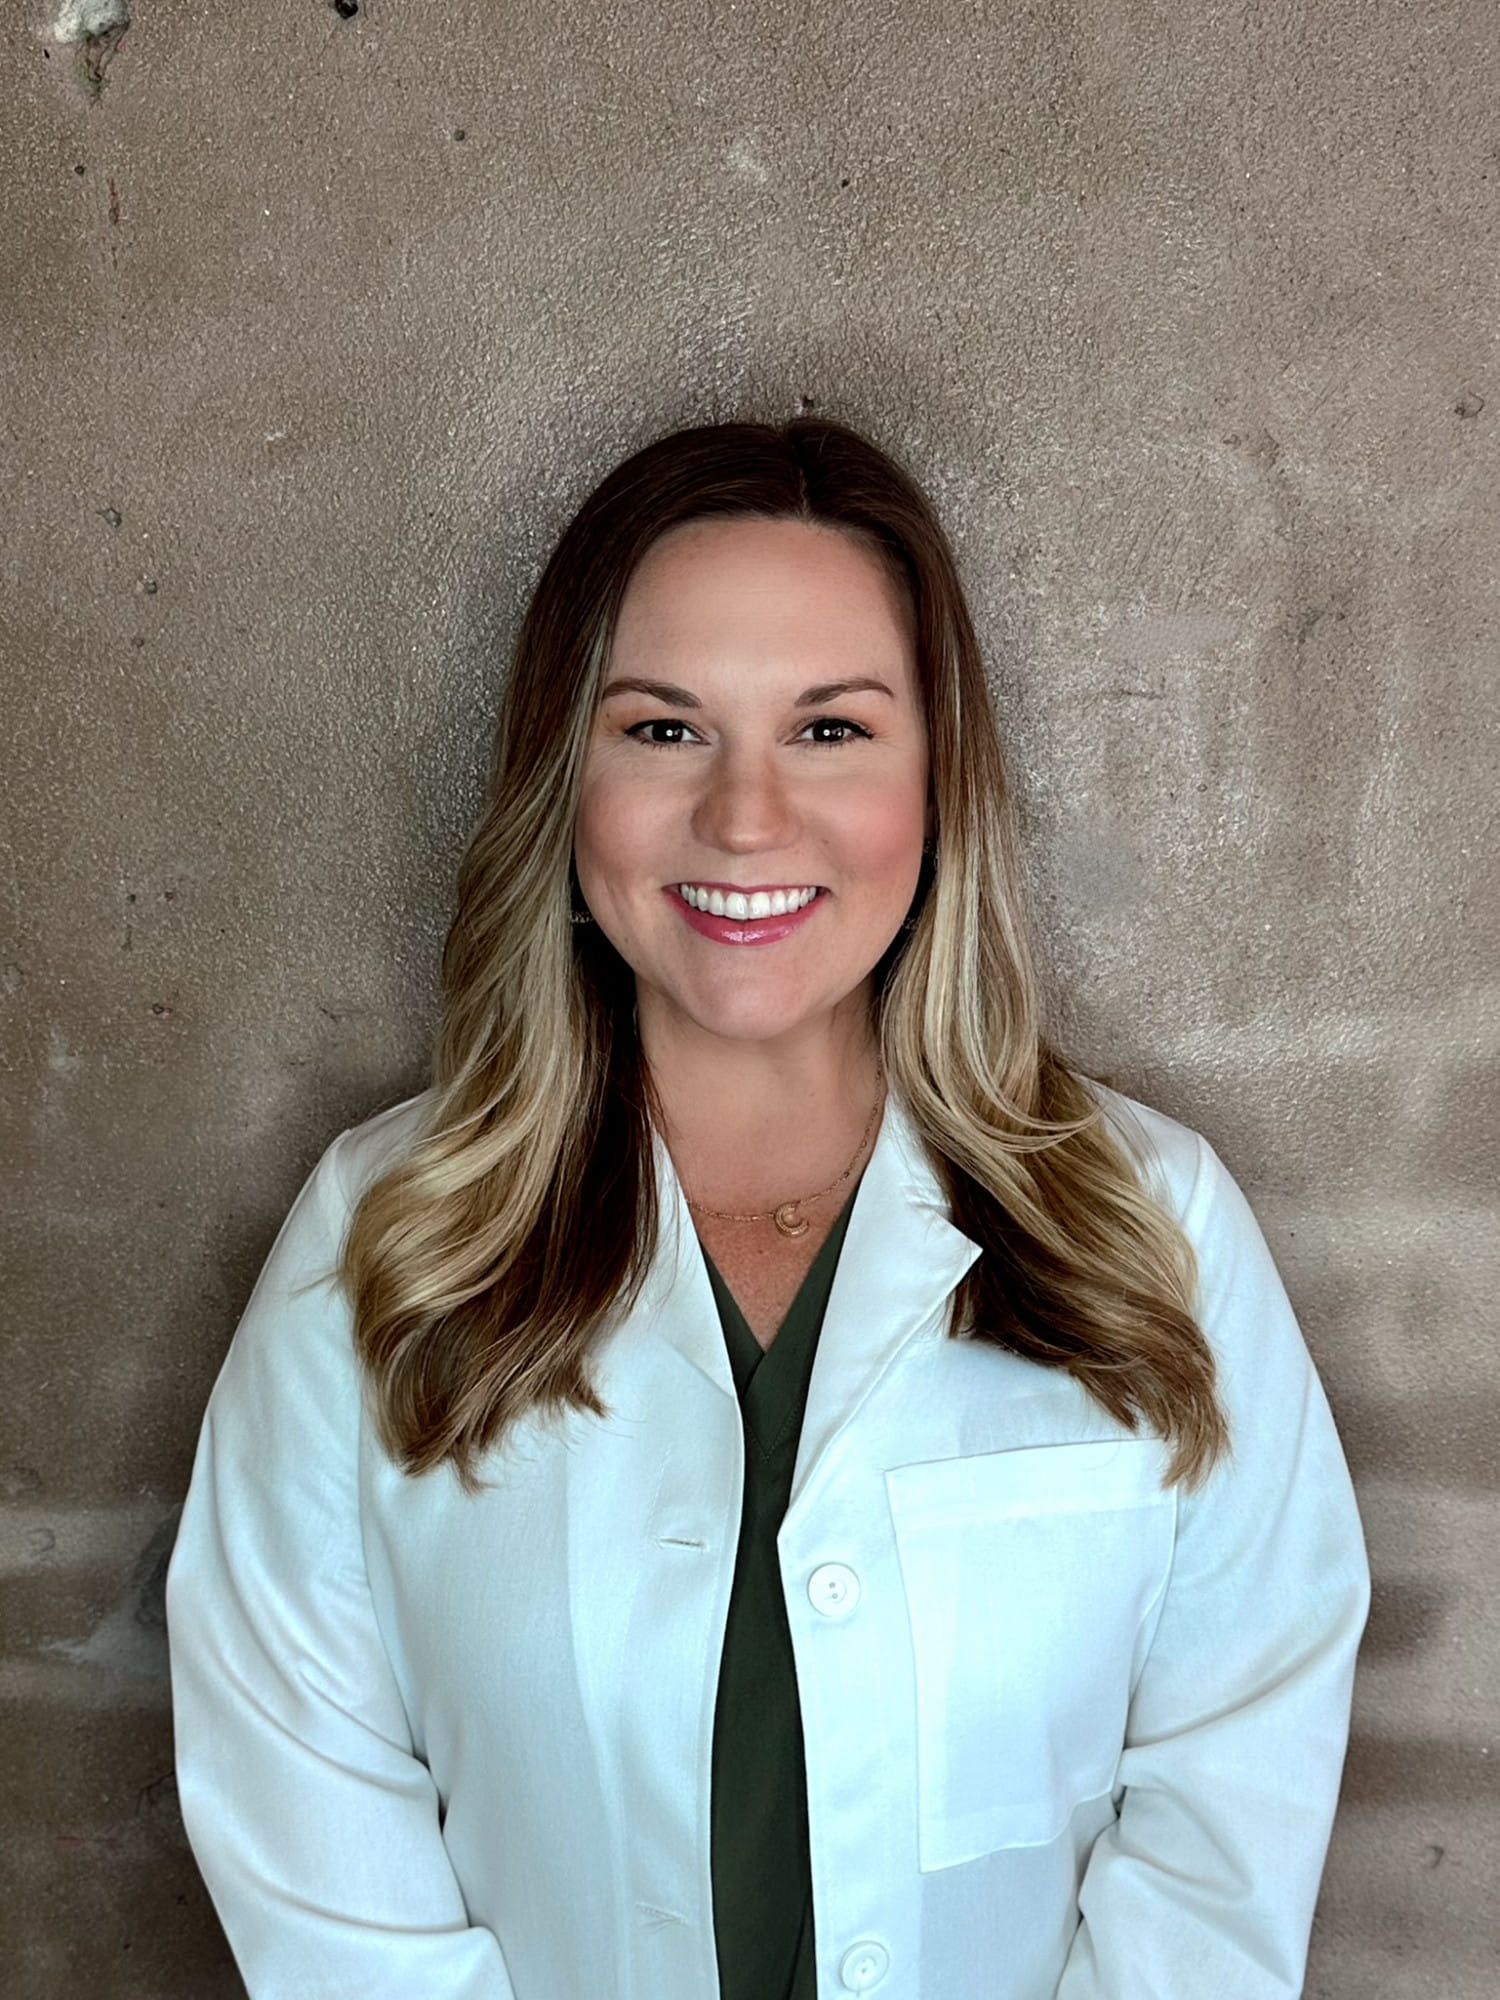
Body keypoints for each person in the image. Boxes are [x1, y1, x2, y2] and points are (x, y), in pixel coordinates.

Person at [166, 417, 1369, 2000]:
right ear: (563, 776)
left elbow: (1233, 1784)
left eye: (830, 731)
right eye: (664, 731)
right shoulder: (385, 1235)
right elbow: (303, 1794)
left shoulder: (1155, 1228)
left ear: (940, 780)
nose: (746, 821)